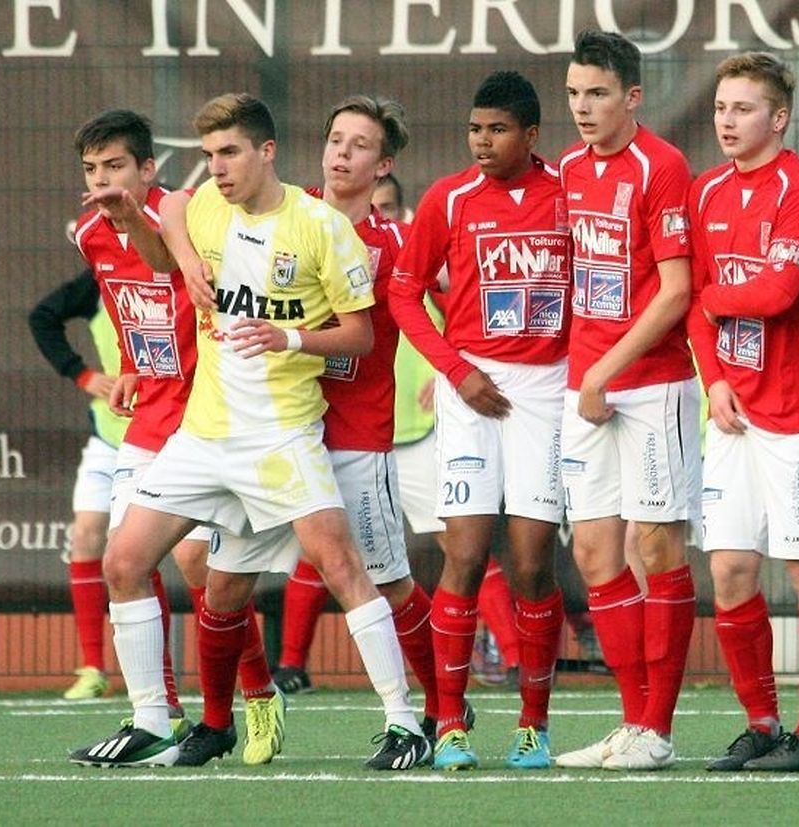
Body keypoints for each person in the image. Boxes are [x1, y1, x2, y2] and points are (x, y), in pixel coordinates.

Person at [69, 93, 429, 770]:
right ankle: (155, 721)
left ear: (267, 151)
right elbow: (172, 223)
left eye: (229, 152)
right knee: (124, 562)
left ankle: (406, 724)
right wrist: (154, 232)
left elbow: (360, 334)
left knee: (345, 569)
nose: (216, 167)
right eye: (208, 155)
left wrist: (286, 335)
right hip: (204, 438)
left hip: (281, 438)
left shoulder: (320, 226)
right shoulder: (205, 203)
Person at [64, 109, 283, 767]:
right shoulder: (90, 233)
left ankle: (260, 692)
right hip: (153, 414)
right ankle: (155, 717)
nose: (102, 180)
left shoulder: (188, 218)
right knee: (123, 562)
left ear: (148, 169)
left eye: (115, 166)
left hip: (210, 415)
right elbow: (131, 305)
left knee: (200, 569)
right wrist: (135, 364)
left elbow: (205, 293)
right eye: (91, 169)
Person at [389, 70, 569, 771]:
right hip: (470, 388)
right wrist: (456, 370)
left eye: (497, 130)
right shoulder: (450, 197)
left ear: (531, 134)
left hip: (545, 391)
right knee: (462, 553)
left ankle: (533, 725)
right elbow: (405, 293)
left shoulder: (567, 195)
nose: (482, 142)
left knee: (531, 563)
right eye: (474, 129)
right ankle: (449, 725)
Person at [269, 95, 456, 754]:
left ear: (383, 165)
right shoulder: (283, 215)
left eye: (360, 145)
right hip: (276, 426)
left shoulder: (396, 243)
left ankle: (442, 707)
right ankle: (219, 714)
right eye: (335, 140)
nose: (342, 153)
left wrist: (452, 367)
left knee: (387, 577)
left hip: (356, 431)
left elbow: (455, 301)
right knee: (214, 570)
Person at [685, 52, 799, 773]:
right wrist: (715, 380)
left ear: (778, 117)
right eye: (721, 107)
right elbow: (694, 305)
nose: (727, 120)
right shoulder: (705, 191)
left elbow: (778, 292)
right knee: (728, 569)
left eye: (743, 108)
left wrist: (714, 297)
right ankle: (761, 722)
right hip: (733, 411)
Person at [553, 30, 700, 772]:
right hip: (587, 386)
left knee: (656, 545)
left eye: (598, 94)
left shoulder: (662, 166)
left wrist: (604, 370)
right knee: (592, 551)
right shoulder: (569, 168)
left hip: (651, 386)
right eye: (574, 93)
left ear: (632, 97)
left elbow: (676, 291)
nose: (583, 107)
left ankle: (657, 729)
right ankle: (632, 721)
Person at [29, 266, 129, 700]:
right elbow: (42, 316)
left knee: (181, 556)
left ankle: (164, 674)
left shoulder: (179, 271)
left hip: (170, 436)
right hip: (109, 436)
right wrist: (82, 374)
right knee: (86, 536)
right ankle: (93, 668)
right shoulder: (100, 277)